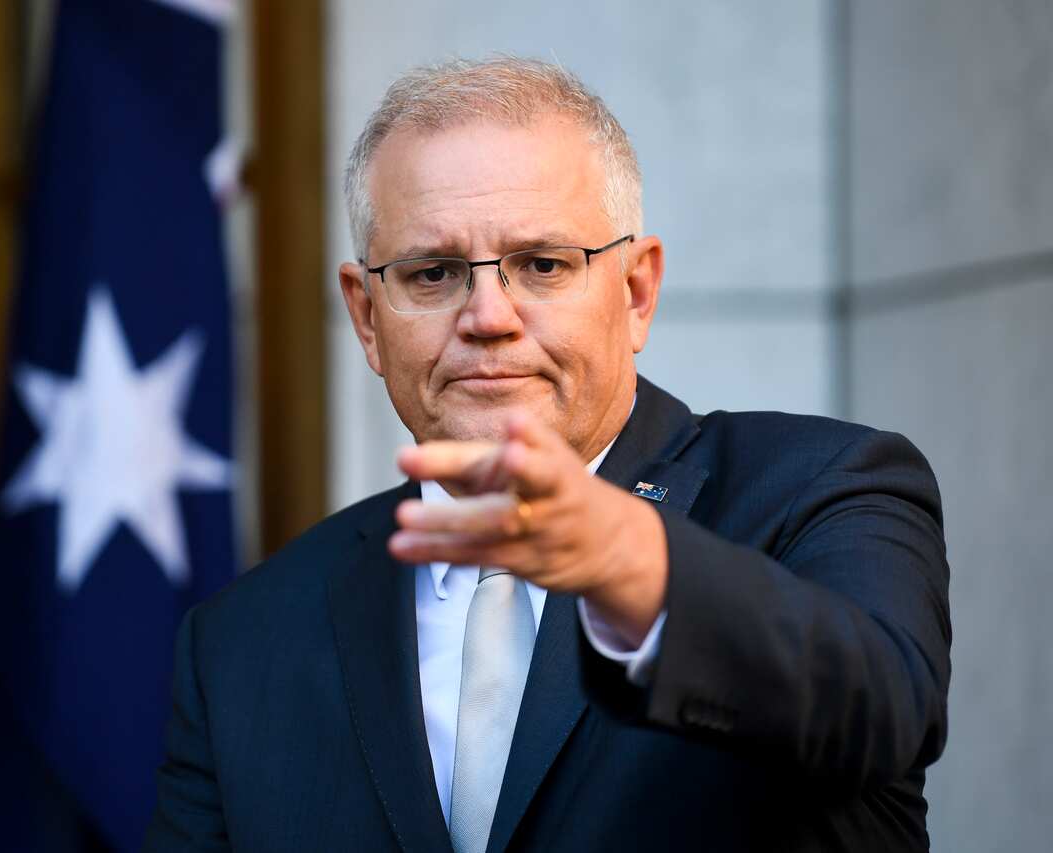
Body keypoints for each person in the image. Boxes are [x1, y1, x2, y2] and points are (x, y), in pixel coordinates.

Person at [143, 58, 951, 852]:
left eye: (542, 264)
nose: (489, 316)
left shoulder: (824, 488)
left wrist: (630, 565)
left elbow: (882, 706)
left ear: (635, 292)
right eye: (434, 272)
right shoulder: (239, 642)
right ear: (366, 318)